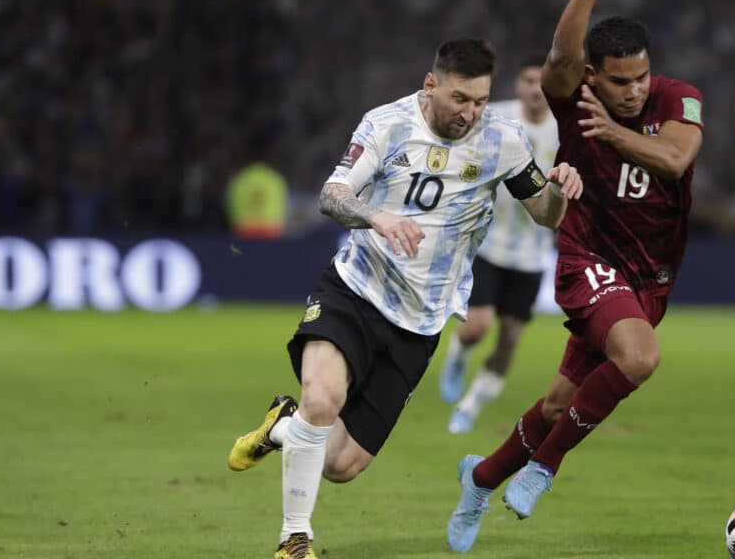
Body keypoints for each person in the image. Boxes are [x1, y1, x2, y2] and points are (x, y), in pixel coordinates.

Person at [226, 38, 583, 559]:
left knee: (341, 465)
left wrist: (562, 190)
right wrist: (378, 216)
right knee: (322, 401)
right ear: (431, 84)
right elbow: (333, 193)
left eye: (481, 101)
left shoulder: (502, 140)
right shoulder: (387, 124)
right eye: (461, 99)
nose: (471, 113)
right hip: (356, 288)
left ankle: (284, 424)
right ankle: (294, 539)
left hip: (421, 320)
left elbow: (546, 215)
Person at [446, 0, 704, 552]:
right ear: (596, 76)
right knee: (638, 359)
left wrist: (612, 134)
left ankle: (480, 478)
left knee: (562, 400)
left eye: (641, 77)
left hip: (649, 279)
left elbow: (674, 160)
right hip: (587, 257)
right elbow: (560, 60)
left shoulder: (680, 98)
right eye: (619, 82)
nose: (634, 89)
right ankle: (545, 467)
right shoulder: (575, 96)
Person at [439, 53, 561, 434]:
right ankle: (458, 355)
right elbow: (465, 159)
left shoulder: (564, 130)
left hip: (533, 253)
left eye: (542, 83)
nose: (535, 90)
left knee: (509, 339)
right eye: (528, 81)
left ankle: (469, 407)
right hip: (489, 242)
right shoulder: (497, 117)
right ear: (518, 86)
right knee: (477, 325)